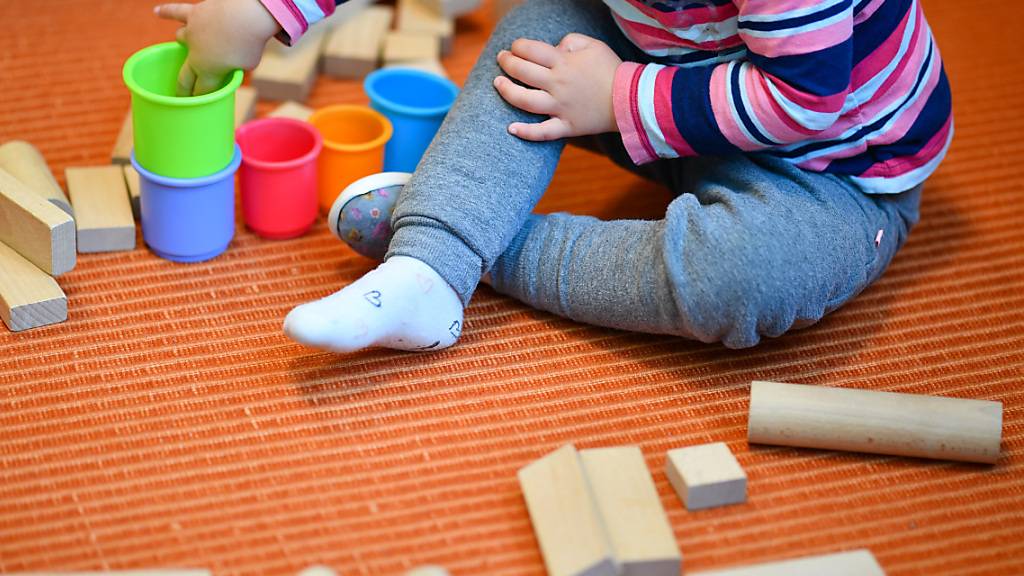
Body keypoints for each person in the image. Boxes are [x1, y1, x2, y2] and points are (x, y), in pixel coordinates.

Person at [157, 0, 952, 352]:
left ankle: (463, 241)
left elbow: (809, 99)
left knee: (746, 279)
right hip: (654, 69)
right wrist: (265, 8)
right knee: (537, 30)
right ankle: (431, 269)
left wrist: (615, 95)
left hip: (828, 166)